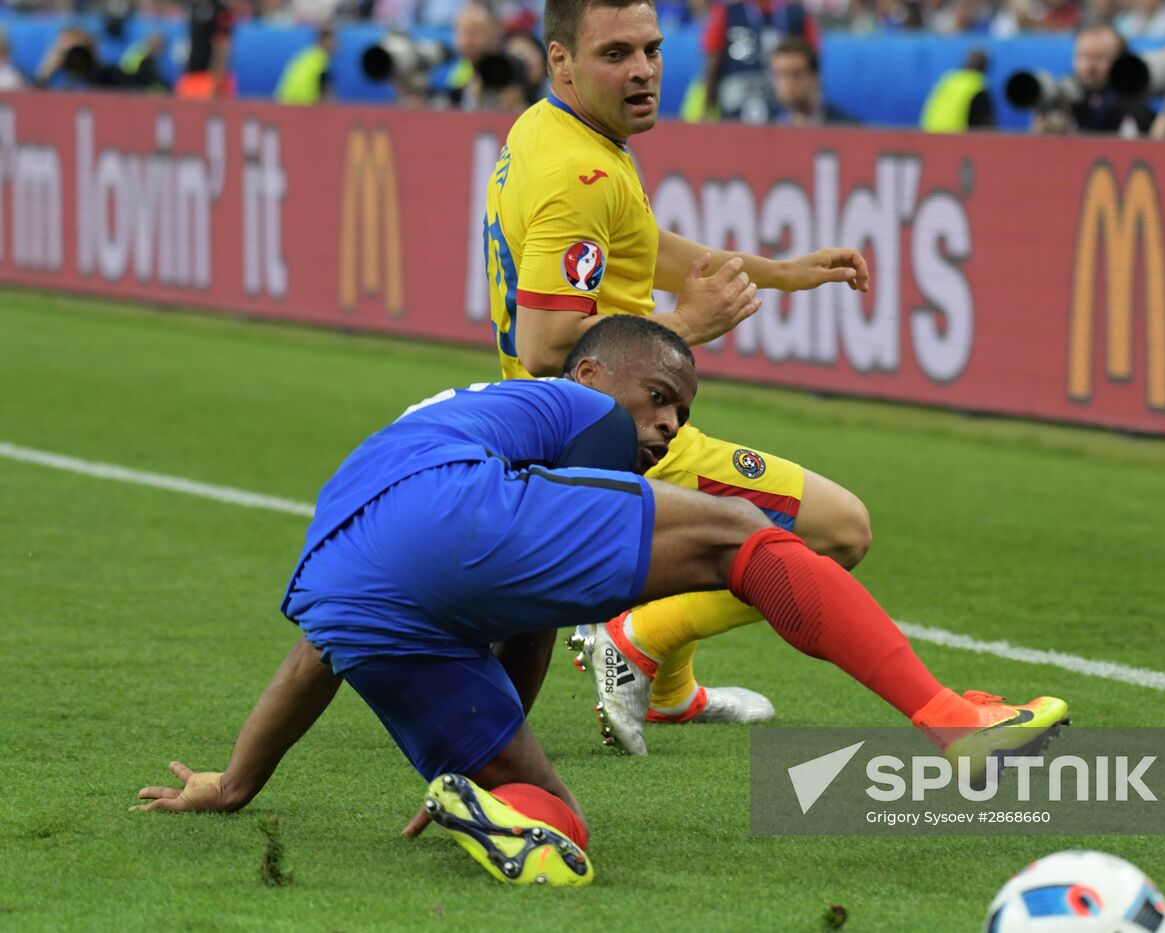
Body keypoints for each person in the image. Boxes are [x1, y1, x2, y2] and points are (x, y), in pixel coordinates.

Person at [131, 317, 1070, 887]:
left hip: (343, 583)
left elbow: (315, 656)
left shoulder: (450, 424)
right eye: (659, 399)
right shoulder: (572, 409)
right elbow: (550, 576)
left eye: (683, 416)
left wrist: (235, 782)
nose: (666, 427)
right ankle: (949, 717)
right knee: (741, 536)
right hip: (450, 511)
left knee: (558, 823)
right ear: (592, 379)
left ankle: (501, 816)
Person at [485, 0, 874, 755]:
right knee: (839, 532)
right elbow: (544, 345)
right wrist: (686, 327)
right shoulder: (581, 171)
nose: (642, 71)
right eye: (616, 54)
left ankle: (669, 692)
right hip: (604, 435)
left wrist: (781, 274)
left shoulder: (550, 128)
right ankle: (637, 638)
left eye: (652, 50)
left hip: (550, 425)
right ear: (561, 60)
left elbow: (638, 245)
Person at [701, 0, 820, 123]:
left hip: (782, 106)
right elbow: (712, 61)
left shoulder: (798, 14)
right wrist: (708, 109)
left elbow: (813, 65)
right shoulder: (727, 12)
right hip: (736, 102)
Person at [1031, 21, 1154, 137]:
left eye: (1099, 58)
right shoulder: (1063, 93)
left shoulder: (1134, 99)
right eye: (1082, 57)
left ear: (1121, 61)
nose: (1088, 67)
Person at [768, 36, 857, 127]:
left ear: (815, 78)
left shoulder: (845, 127)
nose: (788, 82)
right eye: (781, 74)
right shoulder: (767, 125)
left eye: (796, 74)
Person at [920, 48, 995, 134]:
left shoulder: (948, 80)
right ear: (986, 66)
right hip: (956, 141)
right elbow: (986, 126)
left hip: (929, 136)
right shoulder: (977, 85)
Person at [274, 25, 335, 105]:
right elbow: (325, 93)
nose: (336, 45)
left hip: (284, 101)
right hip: (302, 104)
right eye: (333, 41)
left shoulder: (307, 56)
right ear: (323, 40)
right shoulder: (321, 60)